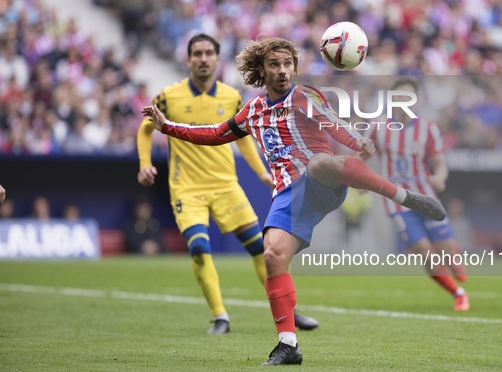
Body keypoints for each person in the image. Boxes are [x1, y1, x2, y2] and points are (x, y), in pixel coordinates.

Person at [142, 37, 446, 365]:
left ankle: (405, 196)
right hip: (288, 194)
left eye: (288, 64)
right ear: (262, 70)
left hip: (320, 182)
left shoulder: (304, 96)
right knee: (272, 253)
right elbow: (216, 134)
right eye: (275, 64)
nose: (283, 70)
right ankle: (288, 345)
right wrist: (167, 127)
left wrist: (358, 142)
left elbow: (334, 124)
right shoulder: (253, 110)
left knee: (319, 162)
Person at [136, 33, 319, 335]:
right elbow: (146, 129)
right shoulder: (169, 96)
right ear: (189, 59)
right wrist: (144, 163)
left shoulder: (231, 97)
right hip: (187, 188)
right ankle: (220, 316)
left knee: (263, 250)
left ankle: (289, 311)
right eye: (198, 53)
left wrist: (261, 171)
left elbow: (245, 138)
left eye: (209, 53)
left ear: (217, 59)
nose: (204, 58)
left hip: (226, 186)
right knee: (199, 248)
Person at [370, 77, 469, 312]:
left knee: (446, 251)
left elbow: (440, 163)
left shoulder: (428, 129)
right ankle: (458, 293)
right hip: (397, 202)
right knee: (425, 251)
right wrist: (361, 180)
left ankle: (454, 262)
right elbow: (362, 157)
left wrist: (440, 178)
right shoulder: (379, 128)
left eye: (409, 96)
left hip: (426, 197)